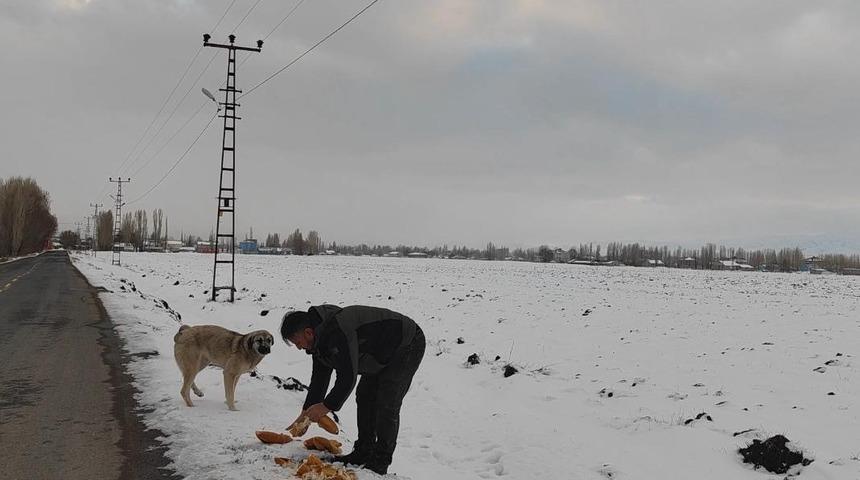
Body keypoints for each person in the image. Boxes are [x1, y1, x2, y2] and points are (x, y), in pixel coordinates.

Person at [281, 304, 426, 475]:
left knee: (387, 403)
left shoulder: (338, 331)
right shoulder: (319, 341)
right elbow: (320, 378)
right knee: (364, 395)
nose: (299, 348)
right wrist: (305, 414)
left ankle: (380, 461)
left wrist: (326, 406)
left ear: (308, 332)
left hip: (405, 343)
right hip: (376, 350)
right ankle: (363, 451)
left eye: (298, 343)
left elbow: (347, 377)